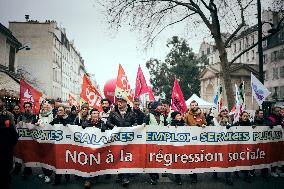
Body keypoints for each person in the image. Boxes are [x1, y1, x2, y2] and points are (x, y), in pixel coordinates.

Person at [106, 97, 137, 187]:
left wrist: (132, 128)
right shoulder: (113, 113)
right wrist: (114, 127)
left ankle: (125, 177)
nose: (119, 103)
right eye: (118, 102)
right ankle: (120, 175)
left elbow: (135, 123)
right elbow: (108, 122)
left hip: (128, 139)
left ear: (125, 103)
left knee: (126, 157)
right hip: (117, 139)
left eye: (121, 102)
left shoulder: (132, 113)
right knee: (118, 156)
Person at [143, 101, 168, 185]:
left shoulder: (162, 116)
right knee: (151, 159)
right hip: (150, 142)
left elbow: (166, 126)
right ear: (155, 107)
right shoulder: (148, 116)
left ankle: (156, 173)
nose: (162, 107)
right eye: (160, 106)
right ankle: (153, 176)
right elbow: (143, 127)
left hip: (160, 142)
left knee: (157, 158)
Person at [183, 100, 206, 183]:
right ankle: (193, 175)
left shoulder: (202, 114)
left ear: (197, 106)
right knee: (191, 156)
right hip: (190, 139)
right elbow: (183, 124)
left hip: (199, 139)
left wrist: (203, 125)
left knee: (197, 156)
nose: (194, 106)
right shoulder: (187, 115)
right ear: (190, 106)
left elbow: (205, 123)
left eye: (195, 105)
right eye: (192, 105)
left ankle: (194, 172)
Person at [83, 108, 105, 189]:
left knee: (97, 161)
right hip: (89, 146)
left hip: (99, 146)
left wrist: (103, 129)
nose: (95, 114)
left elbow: (106, 131)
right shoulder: (86, 122)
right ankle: (87, 179)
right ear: (91, 115)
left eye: (97, 113)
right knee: (89, 161)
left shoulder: (102, 123)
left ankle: (96, 175)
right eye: (94, 113)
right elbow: (82, 129)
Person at [211, 106, 233, 185]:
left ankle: (228, 177)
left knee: (227, 159)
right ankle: (215, 173)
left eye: (226, 111)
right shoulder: (215, 119)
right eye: (223, 111)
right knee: (216, 158)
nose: (225, 112)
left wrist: (231, 127)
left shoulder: (230, 119)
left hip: (227, 143)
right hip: (217, 143)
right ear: (220, 112)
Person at [0, 97, 18, 189]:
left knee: (5, 168)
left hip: (5, 147)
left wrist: (9, 145)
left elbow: (13, 132)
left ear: (2, 103)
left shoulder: (8, 115)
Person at [50, 106, 70, 185]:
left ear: (64, 112)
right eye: (58, 110)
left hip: (66, 144)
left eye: (61, 110)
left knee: (65, 162)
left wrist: (62, 119)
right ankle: (57, 180)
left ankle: (67, 176)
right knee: (58, 162)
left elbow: (69, 126)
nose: (59, 112)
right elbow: (48, 127)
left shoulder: (68, 119)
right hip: (57, 145)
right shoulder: (55, 120)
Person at [17, 102, 37, 180]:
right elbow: (18, 125)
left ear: (31, 107)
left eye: (29, 107)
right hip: (23, 139)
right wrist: (20, 123)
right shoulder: (21, 116)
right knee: (24, 154)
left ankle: (27, 169)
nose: (27, 108)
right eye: (26, 107)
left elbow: (36, 125)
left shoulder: (35, 116)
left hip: (31, 139)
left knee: (29, 154)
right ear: (24, 108)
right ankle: (27, 170)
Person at [233, 111, 253, 183]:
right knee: (237, 158)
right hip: (238, 145)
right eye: (244, 116)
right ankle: (236, 172)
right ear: (241, 117)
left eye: (247, 116)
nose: (245, 117)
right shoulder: (237, 124)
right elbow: (231, 130)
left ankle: (246, 176)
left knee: (246, 159)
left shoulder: (250, 124)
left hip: (246, 145)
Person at [266, 107, 283, 177]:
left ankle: (279, 169)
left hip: (280, 140)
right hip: (272, 141)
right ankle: (273, 170)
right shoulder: (270, 118)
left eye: (279, 111)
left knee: (279, 155)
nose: (278, 112)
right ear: (273, 112)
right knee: (273, 155)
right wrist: (279, 123)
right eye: (277, 111)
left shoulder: (281, 117)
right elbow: (270, 124)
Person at [170, 111, 185, 185]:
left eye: (180, 115)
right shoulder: (172, 124)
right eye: (177, 116)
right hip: (175, 146)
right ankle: (178, 178)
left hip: (183, 146)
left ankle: (192, 175)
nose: (179, 117)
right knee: (176, 161)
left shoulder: (184, 123)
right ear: (174, 117)